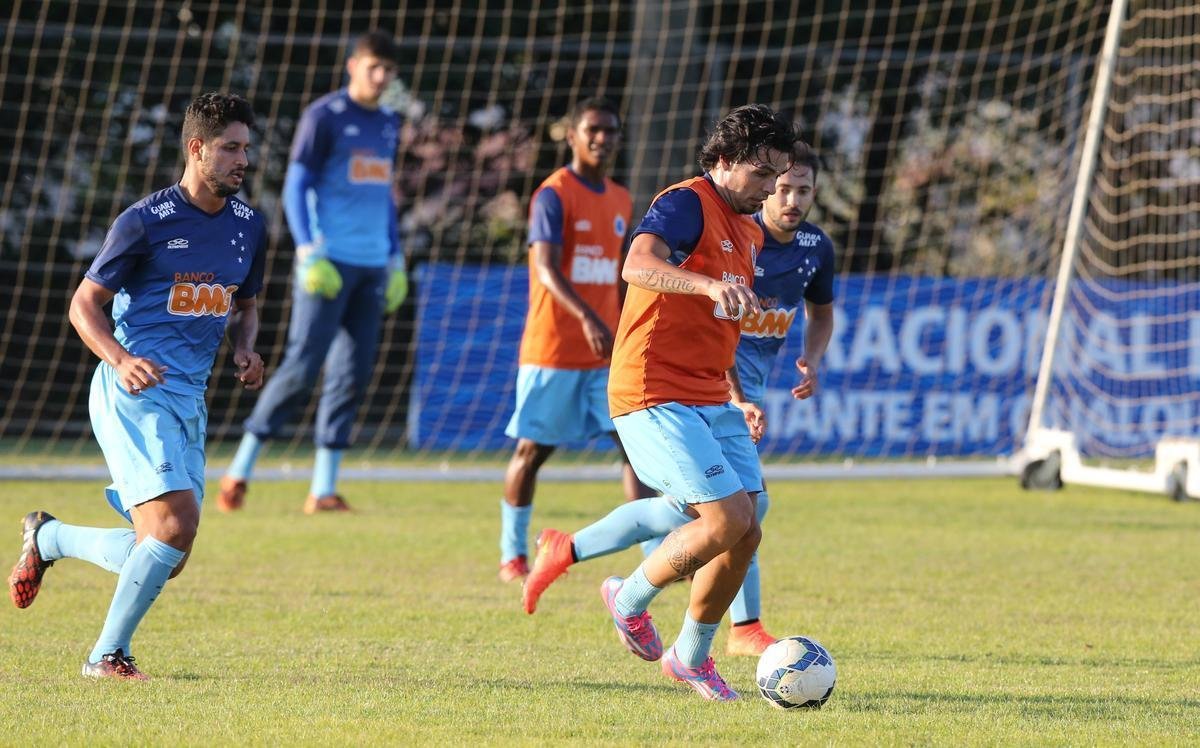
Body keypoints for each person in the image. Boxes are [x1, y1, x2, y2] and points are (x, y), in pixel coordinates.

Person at [522, 147, 836, 660]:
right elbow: (647, 268)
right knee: (729, 514)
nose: (789, 197)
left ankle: (572, 550)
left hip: (721, 386)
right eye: (779, 185)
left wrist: (809, 359)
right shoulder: (702, 212)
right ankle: (737, 625)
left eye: (801, 188)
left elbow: (818, 314)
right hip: (692, 386)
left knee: (712, 512)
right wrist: (737, 391)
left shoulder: (808, 247)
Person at [7, 92, 267, 680]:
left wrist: (246, 348)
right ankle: (106, 657)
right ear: (196, 149)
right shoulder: (145, 221)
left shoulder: (251, 226)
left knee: (165, 553)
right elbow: (83, 305)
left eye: (246, 149)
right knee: (174, 527)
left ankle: (50, 539)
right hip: (133, 393)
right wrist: (121, 359)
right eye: (230, 148)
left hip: (189, 400)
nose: (242, 160)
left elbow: (245, 304)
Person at [592, 104, 798, 701]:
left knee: (748, 528)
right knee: (726, 518)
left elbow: (720, 324)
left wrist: (739, 396)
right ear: (725, 161)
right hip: (652, 391)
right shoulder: (686, 201)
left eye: (778, 177)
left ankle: (691, 656)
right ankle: (627, 599)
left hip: (711, 394)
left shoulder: (752, 230)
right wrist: (708, 283)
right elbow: (636, 263)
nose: (770, 189)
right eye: (762, 175)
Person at [217, 31, 406, 514]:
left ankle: (323, 488)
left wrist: (395, 255)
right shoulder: (324, 116)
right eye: (373, 67)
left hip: (371, 267)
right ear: (353, 65)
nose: (381, 77)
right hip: (328, 264)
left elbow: (384, 194)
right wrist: (308, 251)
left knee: (353, 374)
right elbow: (296, 185)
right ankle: (239, 471)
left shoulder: (388, 123)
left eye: (388, 69)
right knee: (302, 367)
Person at [497, 97, 651, 582]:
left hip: (605, 354)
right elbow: (544, 267)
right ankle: (512, 555)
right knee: (531, 453)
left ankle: (656, 554)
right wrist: (587, 317)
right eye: (593, 129)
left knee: (636, 448)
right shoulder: (553, 194)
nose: (602, 138)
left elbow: (619, 274)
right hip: (554, 350)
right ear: (573, 135)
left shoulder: (621, 199)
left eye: (611, 130)